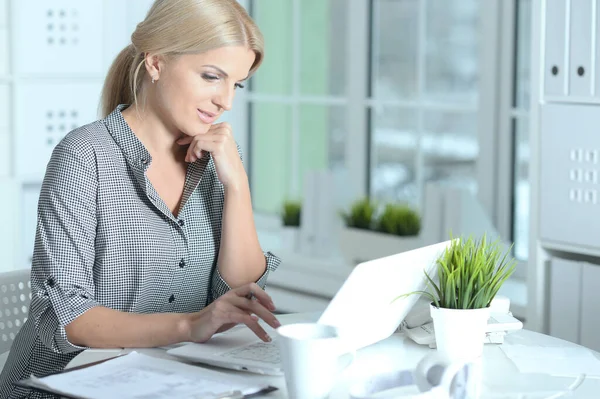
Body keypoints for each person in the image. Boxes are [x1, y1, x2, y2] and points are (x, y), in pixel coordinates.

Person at [0, 0, 281, 397]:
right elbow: (64, 316)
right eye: (210, 76)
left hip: (166, 383)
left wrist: (237, 183)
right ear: (156, 63)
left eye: (234, 84)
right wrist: (189, 325)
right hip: (57, 388)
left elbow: (240, 293)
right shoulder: (84, 156)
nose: (226, 102)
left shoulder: (215, 160)